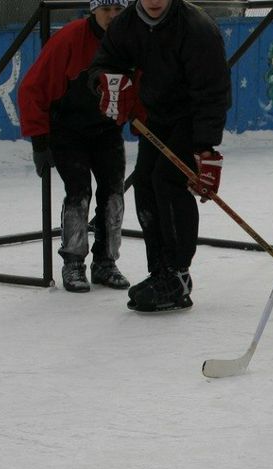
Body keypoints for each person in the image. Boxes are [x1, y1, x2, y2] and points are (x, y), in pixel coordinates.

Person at [89, 0, 231, 313]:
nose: (155, 1)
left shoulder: (197, 28)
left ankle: (178, 274)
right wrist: (107, 84)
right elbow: (104, 63)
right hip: (155, 115)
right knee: (145, 183)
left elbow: (214, 91)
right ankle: (161, 271)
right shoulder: (127, 24)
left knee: (167, 180)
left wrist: (205, 148)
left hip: (190, 116)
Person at [18, 0, 131, 294]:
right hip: (68, 131)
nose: (112, 16)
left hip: (107, 131)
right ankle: (73, 262)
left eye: (118, 10)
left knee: (114, 194)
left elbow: (140, 87)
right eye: (106, 9)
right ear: (94, 10)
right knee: (79, 193)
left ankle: (106, 262)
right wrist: (39, 139)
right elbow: (33, 88)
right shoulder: (69, 38)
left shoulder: (130, 40)